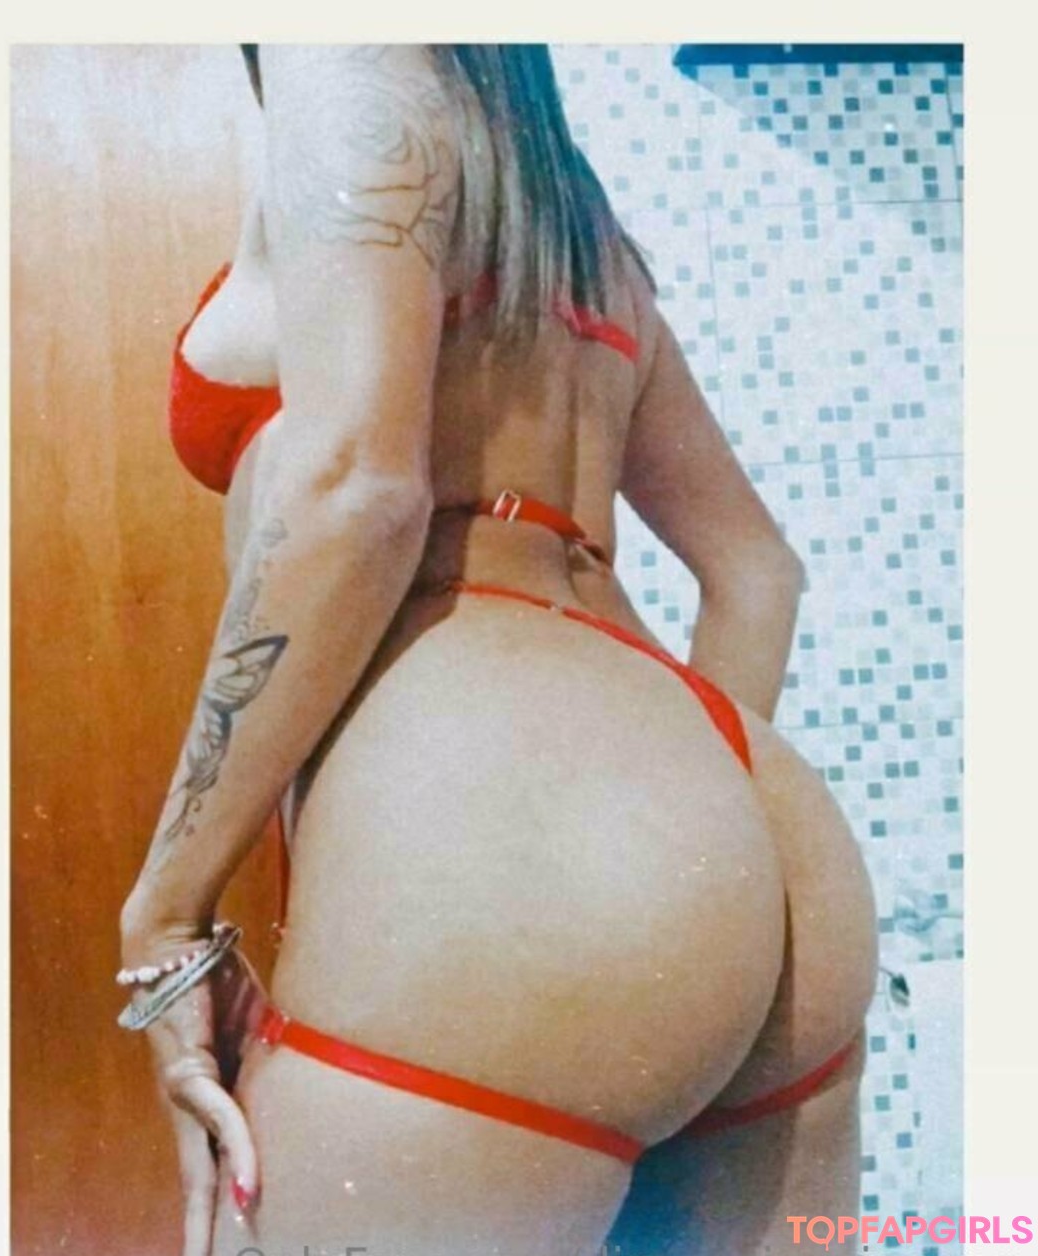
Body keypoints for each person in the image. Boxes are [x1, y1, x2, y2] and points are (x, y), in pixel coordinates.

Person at [117, 43, 879, 1256]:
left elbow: (361, 491)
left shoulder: (345, 54)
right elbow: (756, 572)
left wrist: (164, 914)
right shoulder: (574, 219)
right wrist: (682, 855)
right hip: (769, 851)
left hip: (508, 844)